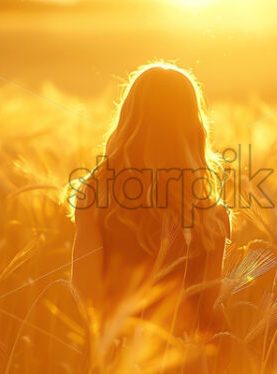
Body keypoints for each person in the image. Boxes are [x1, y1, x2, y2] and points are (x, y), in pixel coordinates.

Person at [67, 62, 231, 368]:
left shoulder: (94, 196)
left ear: (129, 118)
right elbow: (209, 311)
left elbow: (85, 294)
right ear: (193, 125)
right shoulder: (212, 214)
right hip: (182, 361)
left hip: (113, 356)